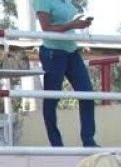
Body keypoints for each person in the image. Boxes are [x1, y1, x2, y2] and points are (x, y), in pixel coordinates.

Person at [34, 0, 98, 147]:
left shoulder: (67, 2)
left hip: (72, 51)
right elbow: (46, 28)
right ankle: (56, 144)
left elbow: (68, 24)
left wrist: (79, 23)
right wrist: (72, 25)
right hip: (53, 52)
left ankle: (89, 141)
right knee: (52, 99)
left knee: (88, 94)